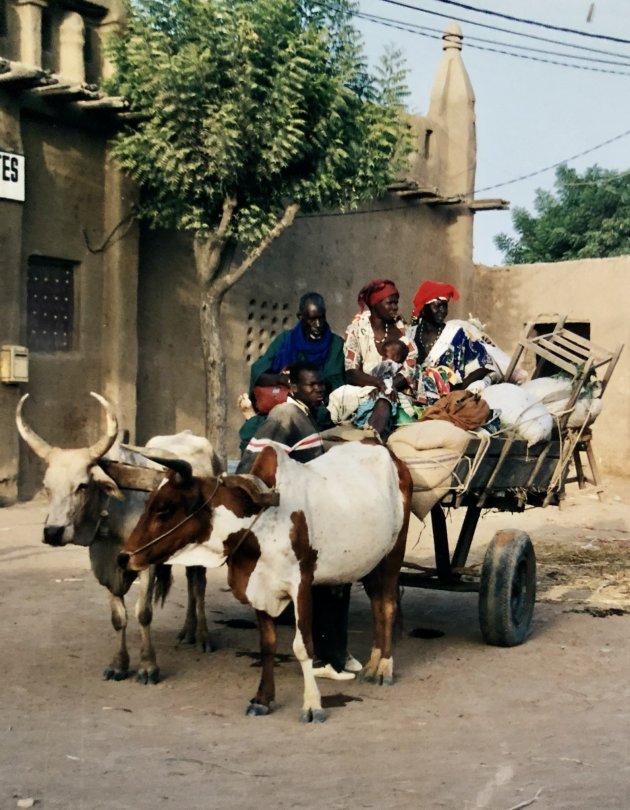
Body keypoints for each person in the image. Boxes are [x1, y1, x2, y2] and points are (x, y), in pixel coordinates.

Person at [237, 360, 361, 681]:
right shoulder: (287, 415)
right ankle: (321, 659)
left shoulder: (307, 415)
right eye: (311, 385)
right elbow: (253, 461)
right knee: (320, 584)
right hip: (293, 515)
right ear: (293, 388)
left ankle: (337, 653)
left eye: (321, 384)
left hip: (314, 509)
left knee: (340, 581)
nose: (318, 389)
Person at [239, 292, 345, 451]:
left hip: (317, 407)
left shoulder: (335, 344)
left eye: (321, 318)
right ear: (300, 317)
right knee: (252, 431)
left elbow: (335, 381)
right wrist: (282, 379)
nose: (318, 324)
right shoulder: (286, 340)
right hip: (283, 401)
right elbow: (259, 372)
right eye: (312, 319)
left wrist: (306, 387)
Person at [343, 279, 417, 437]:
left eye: (396, 303)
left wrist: (388, 386)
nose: (395, 307)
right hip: (365, 389)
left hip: (395, 391)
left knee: (384, 401)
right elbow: (351, 371)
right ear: (375, 304)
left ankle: (371, 438)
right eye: (390, 303)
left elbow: (409, 369)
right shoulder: (357, 330)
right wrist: (378, 383)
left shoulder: (403, 331)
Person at [409, 279, 502, 407]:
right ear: (424, 308)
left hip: (448, 399)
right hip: (412, 396)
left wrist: (460, 388)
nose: (442, 310)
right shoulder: (410, 334)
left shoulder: (457, 334)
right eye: (437, 305)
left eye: (445, 305)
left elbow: (485, 366)